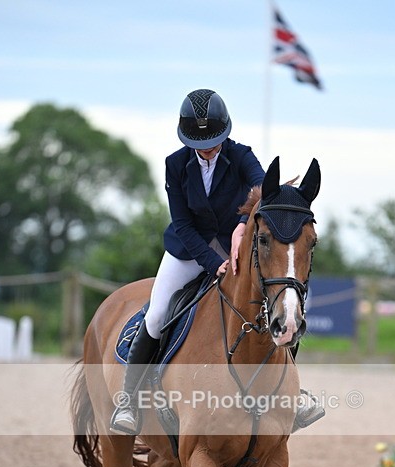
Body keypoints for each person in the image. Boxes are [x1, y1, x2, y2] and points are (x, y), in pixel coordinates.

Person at [111, 88, 324, 435]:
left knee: (278, 306)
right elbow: (182, 223)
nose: (207, 148)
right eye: (199, 142)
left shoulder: (241, 156)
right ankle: (128, 401)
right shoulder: (175, 165)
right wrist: (213, 264)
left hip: (235, 245)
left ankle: (292, 396)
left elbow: (262, 194)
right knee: (157, 313)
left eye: (213, 140)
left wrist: (242, 226)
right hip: (188, 249)